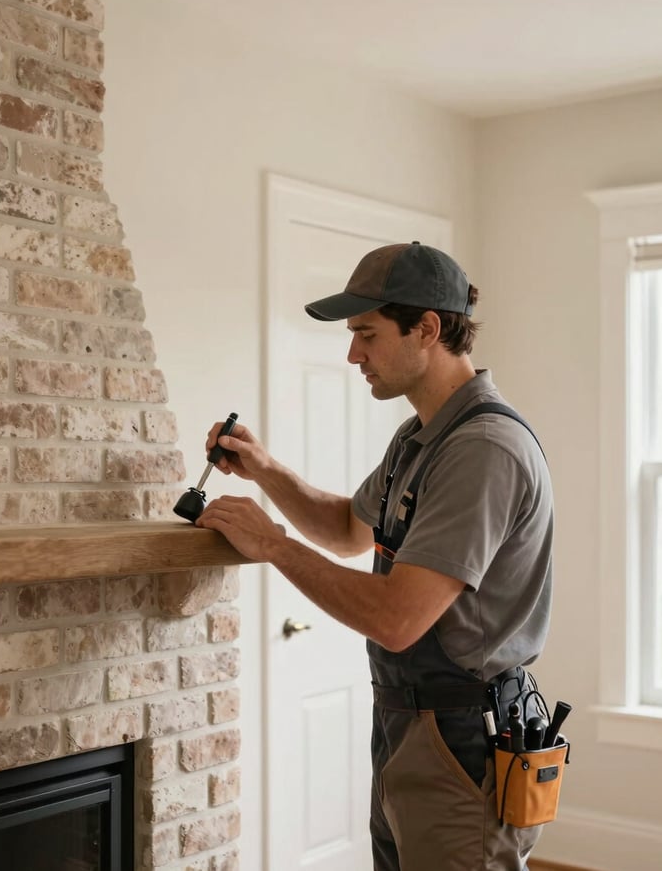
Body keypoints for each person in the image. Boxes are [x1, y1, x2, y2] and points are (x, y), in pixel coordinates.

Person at [196, 241, 553, 871]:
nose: (353, 353)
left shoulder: (483, 449)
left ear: (428, 329)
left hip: (460, 735)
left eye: (366, 333)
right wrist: (266, 471)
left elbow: (398, 619)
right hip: (405, 723)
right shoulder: (420, 436)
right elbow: (348, 530)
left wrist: (273, 545)